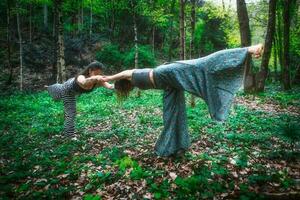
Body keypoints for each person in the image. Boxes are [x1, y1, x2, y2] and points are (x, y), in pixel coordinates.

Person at [100, 44, 264, 156]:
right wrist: (106, 84)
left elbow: (122, 74)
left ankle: (248, 50)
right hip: (169, 85)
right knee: (172, 115)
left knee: (203, 65)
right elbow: (113, 86)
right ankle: (175, 146)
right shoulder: (132, 84)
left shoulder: (132, 76)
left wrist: (107, 77)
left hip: (167, 73)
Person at [46, 61, 114, 137]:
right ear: (90, 71)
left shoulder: (98, 80)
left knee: (70, 112)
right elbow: (84, 82)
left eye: (100, 74)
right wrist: (96, 78)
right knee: (67, 108)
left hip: (71, 91)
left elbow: (110, 86)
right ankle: (69, 135)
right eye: (96, 74)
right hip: (67, 90)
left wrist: (124, 82)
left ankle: (68, 134)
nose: (98, 76)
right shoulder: (81, 77)